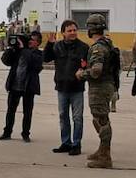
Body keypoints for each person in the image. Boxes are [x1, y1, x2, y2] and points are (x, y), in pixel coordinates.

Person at [76, 14, 119, 168]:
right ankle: (102, 150)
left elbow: (96, 70)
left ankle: (105, 157)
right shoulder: (108, 43)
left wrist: (82, 74)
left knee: (101, 120)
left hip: (99, 87)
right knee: (102, 119)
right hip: (107, 85)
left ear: (91, 29)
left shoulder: (98, 47)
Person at [43, 19, 89, 155]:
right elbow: (46, 58)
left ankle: (76, 144)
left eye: (75, 30)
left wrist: (83, 71)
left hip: (77, 88)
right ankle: (66, 142)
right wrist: (49, 44)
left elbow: (87, 66)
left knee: (77, 117)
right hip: (62, 87)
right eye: (69, 31)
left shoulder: (84, 47)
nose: (73, 32)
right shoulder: (57, 46)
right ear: (63, 33)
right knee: (63, 116)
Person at [0, 30, 44, 143]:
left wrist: (23, 49)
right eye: (29, 39)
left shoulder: (38, 54)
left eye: (33, 40)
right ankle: (7, 132)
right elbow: (5, 61)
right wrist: (11, 48)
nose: (30, 41)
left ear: (38, 43)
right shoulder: (18, 51)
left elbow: (34, 64)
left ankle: (25, 133)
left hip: (28, 87)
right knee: (10, 110)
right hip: (14, 85)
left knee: (27, 112)